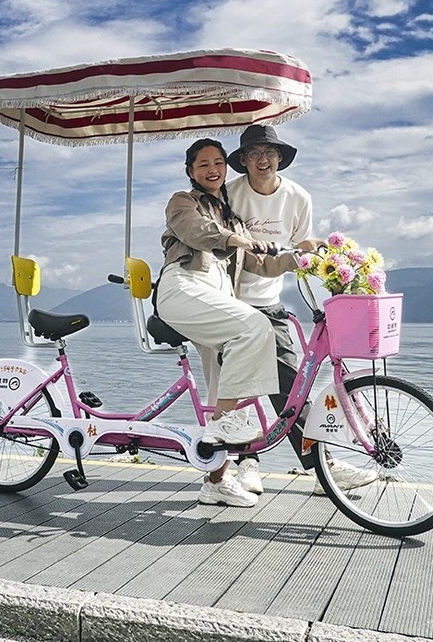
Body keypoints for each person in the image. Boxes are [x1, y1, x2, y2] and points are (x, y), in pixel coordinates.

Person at [224, 124, 380, 496]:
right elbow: (230, 251)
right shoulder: (229, 196)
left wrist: (329, 253)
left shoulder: (298, 197)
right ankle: (248, 464)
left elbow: (301, 242)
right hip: (228, 302)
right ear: (243, 161)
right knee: (237, 388)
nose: (263, 160)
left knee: (290, 386)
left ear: (280, 158)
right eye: (254, 154)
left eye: (269, 153)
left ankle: (319, 466)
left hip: (270, 301)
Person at [156, 138, 301, 508]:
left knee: (222, 389)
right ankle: (223, 425)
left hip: (217, 298)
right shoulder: (182, 202)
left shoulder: (233, 217)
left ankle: (215, 481)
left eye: (218, 162)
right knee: (257, 327)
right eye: (203, 164)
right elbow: (195, 232)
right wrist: (238, 239)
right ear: (191, 171)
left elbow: (261, 264)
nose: (212, 169)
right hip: (185, 287)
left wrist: (299, 257)